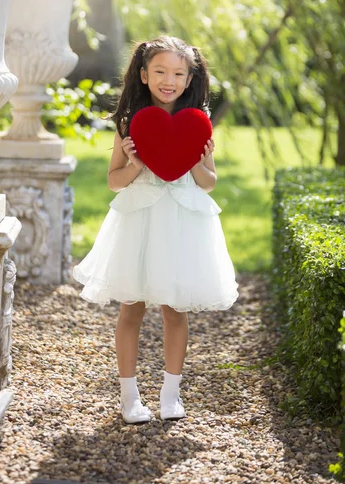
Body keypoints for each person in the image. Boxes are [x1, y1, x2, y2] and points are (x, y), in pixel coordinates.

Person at [73, 36, 239, 424]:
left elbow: (209, 182)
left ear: (189, 77)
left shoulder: (198, 121)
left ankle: (171, 393)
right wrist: (133, 162)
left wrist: (199, 161)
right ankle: (129, 397)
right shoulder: (131, 122)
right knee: (131, 308)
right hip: (141, 221)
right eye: (161, 71)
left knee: (174, 310)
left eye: (178, 73)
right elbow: (115, 181)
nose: (169, 80)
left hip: (182, 223)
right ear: (144, 74)